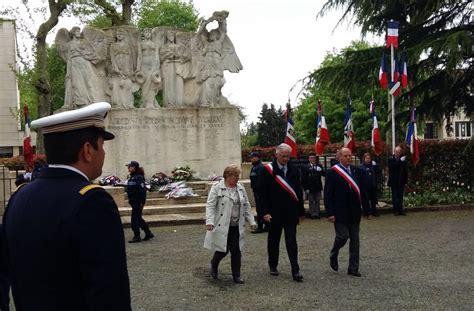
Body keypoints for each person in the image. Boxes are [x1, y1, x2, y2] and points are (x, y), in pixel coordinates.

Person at [2, 102, 131, 309]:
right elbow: (108, 290)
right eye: (102, 145)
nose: (104, 154)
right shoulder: (92, 201)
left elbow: (4, 270)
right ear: (88, 150)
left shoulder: (21, 195)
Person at [204, 165, 256, 284]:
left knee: (236, 250)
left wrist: (252, 221)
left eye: (238, 176)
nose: (237, 178)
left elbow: (246, 205)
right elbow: (210, 206)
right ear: (227, 176)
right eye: (235, 176)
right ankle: (214, 264)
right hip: (222, 224)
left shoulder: (241, 188)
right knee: (223, 249)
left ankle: (236, 275)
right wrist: (210, 221)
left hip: (237, 224)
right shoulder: (217, 187)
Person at [260, 143, 305, 282]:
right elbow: (262, 194)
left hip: (291, 212)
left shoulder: (294, 169)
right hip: (274, 213)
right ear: (277, 154)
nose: (286, 159)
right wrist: (264, 212)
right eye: (283, 156)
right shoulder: (267, 170)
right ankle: (273, 265)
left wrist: (301, 211)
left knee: (292, 241)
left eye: (288, 156)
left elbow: (298, 191)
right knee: (274, 240)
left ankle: (295, 270)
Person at [324, 147, 366, 277]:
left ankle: (353, 268)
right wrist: (330, 212)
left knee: (355, 240)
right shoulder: (332, 172)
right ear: (339, 157)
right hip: (339, 212)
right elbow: (328, 194)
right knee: (342, 237)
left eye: (350, 155)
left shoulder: (356, 171)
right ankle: (334, 253)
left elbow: (362, 191)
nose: (349, 158)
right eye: (346, 156)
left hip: (354, 211)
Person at [159, 31, 189, 107]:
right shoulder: (164, 46)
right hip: (168, 66)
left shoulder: (179, 46)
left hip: (178, 65)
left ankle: (180, 103)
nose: (171, 36)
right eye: (169, 35)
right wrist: (169, 54)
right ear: (167, 37)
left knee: (179, 83)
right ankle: (170, 103)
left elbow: (186, 56)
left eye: (172, 35)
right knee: (169, 84)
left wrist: (179, 56)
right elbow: (161, 58)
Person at [126, 161, 154, 243]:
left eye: (130, 166)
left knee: (134, 220)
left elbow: (142, 190)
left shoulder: (138, 177)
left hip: (137, 201)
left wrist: (142, 202)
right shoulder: (132, 177)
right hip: (133, 201)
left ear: (134, 167)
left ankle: (137, 236)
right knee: (138, 218)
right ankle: (148, 233)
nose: (128, 168)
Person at [136, 28, 161, 108]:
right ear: (143, 34)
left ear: (151, 34)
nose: (147, 33)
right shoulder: (140, 44)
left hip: (153, 65)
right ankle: (145, 102)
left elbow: (157, 56)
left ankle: (151, 103)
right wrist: (138, 68)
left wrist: (157, 66)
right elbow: (139, 56)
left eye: (149, 32)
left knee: (153, 84)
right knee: (145, 85)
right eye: (146, 32)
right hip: (144, 66)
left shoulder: (155, 44)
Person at [302, 153, 325, 219]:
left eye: (313, 157)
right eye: (311, 158)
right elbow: (304, 178)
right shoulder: (305, 167)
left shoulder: (319, 165)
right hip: (310, 187)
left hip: (317, 186)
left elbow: (324, 174)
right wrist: (306, 188)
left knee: (317, 200)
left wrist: (321, 170)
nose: (312, 159)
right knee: (311, 201)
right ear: (309, 159)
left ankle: (317, 213)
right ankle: (312, 214)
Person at [388, 146, 408, 216]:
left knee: (400, 197)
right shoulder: (391, 159)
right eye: (396, 152)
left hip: (401, 181)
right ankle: (395, 210)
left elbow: (405, 171)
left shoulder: (403, 159)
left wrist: (405, 181)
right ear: (394, 152)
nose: (397, 153)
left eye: (399, 152)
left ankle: (400, 210)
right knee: (395, 197)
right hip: (394, 182)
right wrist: (400, 161)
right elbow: (393, 167)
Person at [359, 153, 381, 218]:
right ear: (364, 159)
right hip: (365, 186)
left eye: (369, 158)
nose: (368, 160)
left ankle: (374, 212)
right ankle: (367, 213)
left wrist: (376, 165)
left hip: (372, 185)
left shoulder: (373, 166)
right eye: (367, 158)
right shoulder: (361, 167)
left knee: (373, 200)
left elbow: (379, 171)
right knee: (365, 200)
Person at [249, 151, 265, 233]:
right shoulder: (254, 167)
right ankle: (265, 226)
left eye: (252, 157)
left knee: (260, 209)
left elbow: (261, 181)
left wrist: (258, 190)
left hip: (260, 192)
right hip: (256, 191)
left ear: (257, 158)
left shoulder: (260, 167)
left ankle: (261, 227)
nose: (251, 159)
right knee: (260, 209)